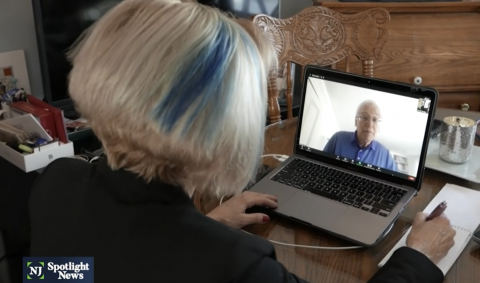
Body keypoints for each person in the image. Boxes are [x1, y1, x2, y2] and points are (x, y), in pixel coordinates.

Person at [29, 1, 456, 283]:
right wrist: (417, 255)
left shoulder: (55, 184)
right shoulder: (239, 267)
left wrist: (206, 227)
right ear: (229, 125)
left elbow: (70, 272)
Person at [323, 100, 398, 171]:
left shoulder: (386, 155)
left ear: (378, 127)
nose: (370, 124)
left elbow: (397, 181)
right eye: (365, 117)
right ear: (356, 121)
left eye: (375, 119)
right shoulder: (338, 138)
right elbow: (321, 163)